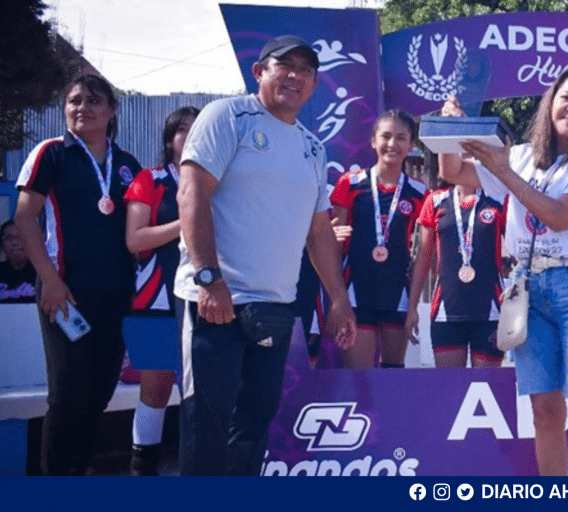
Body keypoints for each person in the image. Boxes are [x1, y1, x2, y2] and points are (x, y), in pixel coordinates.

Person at [174, 35, 356, 475]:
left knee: (255, 423)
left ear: (314, 84)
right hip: (215, 302)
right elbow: (192, 193)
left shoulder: (312, 147)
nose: (295, 76)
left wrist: (338, 299)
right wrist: (208, 278)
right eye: (284, 66)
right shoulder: (227, 116)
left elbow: (319, 232)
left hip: (275, 306)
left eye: (306, 70)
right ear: (259, 72)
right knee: (207, 423)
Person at [439, 66, 568, 476]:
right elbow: (453, 172)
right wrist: (450, 131)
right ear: (550, 103)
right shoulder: (521, 154)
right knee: (544, 409)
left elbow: (560, 217)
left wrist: (505, 172)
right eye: (567, 98)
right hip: (528, 287)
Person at [14, 74, 141, 475]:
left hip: (116, 296)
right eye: (74, 101)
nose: (83, 108)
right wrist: (50, 281)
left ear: (112, 110)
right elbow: (24, 218)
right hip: (65, 293)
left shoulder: (127, 165)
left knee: (99, 393)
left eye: (93, 101)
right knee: (68, 394)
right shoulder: (50, 153)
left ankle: (78, 476)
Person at [122, 106, 198, 474]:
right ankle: (142, 474)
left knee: (201, 395)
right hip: (153, 302)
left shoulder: (219, 180)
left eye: (198, 128)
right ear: (170, 140)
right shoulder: (149, 179)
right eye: (183, 129)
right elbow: (135, 239)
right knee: (155, 392)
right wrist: (187, 222)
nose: (191, 135)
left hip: (205, 301)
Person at [329, 110, 427, 368]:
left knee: (393, 374)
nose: (392, 144)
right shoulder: (350, 183)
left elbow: (425, 252)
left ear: (411, 145)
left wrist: (414, 305)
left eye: (401, 138)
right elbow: (334, 245)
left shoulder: (420, 193)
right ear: (373, 141)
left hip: (397, 293)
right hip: (356, 293)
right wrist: (336, 299)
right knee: (359, 377)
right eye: (385, 136)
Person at [406, 182, 505, 367]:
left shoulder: (498, 198)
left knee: (486, 382)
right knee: (451, 383)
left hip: (490, 313)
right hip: (446, 312)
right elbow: (423, 257)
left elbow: (517, 251)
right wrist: (412, 307)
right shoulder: (435, 201)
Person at [1, 220, 36, 303]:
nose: (15, 243)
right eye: (9, 238)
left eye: (21, 237)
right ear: (1, 244)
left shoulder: (43, 274)